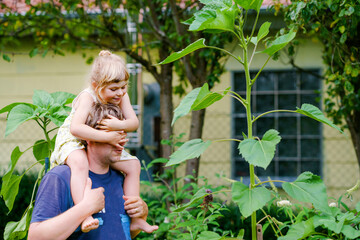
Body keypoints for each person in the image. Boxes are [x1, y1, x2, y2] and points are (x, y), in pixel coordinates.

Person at [49, 50, 156, 233]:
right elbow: (76, 128)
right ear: (96, 85)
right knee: (80, 163)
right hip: (74, 139)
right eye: (114, 89)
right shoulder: (87, 97)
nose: (120, 93)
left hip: (102, 141)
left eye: (124, 87)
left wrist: (118, 124)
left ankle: (136, 219)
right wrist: (108, 136)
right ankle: (85, 215)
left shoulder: (121, 95)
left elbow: (134, 123)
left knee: (134, 165)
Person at [28, 103, 155, 239]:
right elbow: (35, 237)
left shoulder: (121, 178)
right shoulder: (60, 177)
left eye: (123, 134)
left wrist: (142, 213)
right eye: (114, 134)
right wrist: (85, 208)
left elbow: (122, 233)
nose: (122, 141)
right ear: (89, 137)